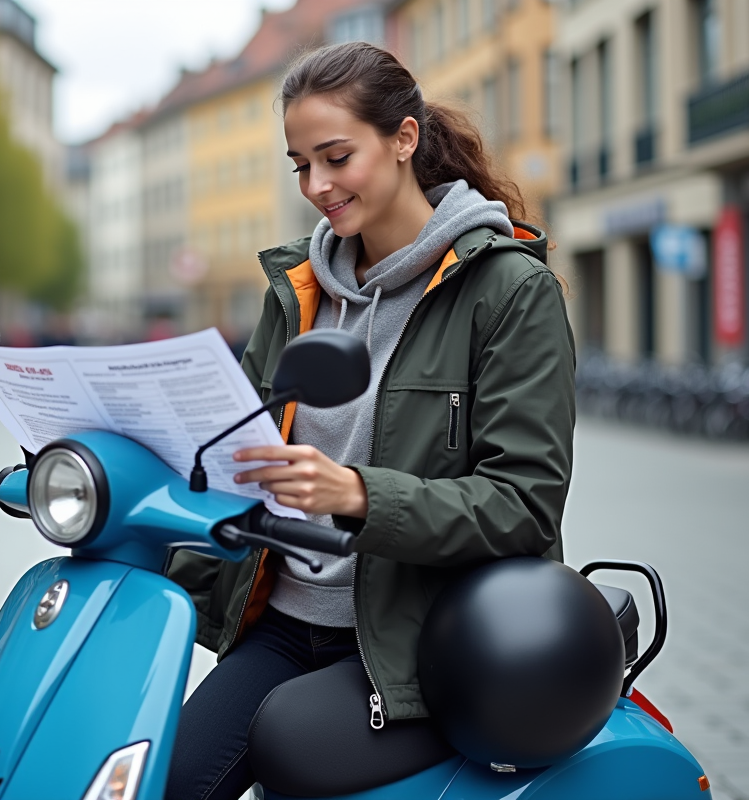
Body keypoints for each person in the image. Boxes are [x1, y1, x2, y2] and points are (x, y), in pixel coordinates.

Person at [165, 42, 576, 800]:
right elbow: (238, 452)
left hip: (425, 637)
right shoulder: (296, 290)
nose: (316, 186)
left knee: (291, 749)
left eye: (335, 157)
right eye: (299, 165)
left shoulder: (509, 290)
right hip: (286, 621)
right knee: (170, 778)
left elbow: (524, 506)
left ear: (404, 140)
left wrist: (358, 494)